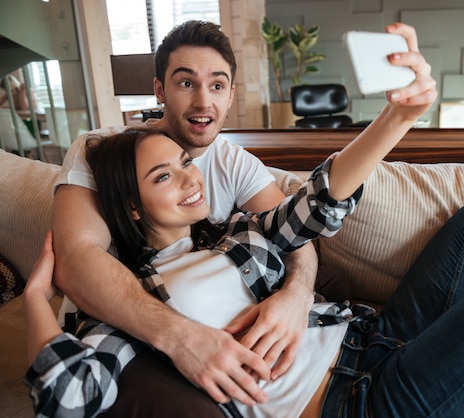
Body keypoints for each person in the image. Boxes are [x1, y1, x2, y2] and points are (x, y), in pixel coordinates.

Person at [25, 129, 464, 415]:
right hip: (367, 403)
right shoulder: (128, 308)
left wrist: (395, 117)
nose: (191, 178)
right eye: (165, 177)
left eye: (185, 163)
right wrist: (35, 298)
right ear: (131, 207)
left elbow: (317, 208)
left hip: (380, 338)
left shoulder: (237, 233)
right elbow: (68, 394)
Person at [50, 19, 363, 413]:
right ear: (159, 90)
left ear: (231, 94)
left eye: (216, 85)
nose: (203, 102)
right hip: (125, 335)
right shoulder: (103, 151)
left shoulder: (236, 164)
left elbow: (294, 230)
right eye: (186, 84)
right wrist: (182, 337)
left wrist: (295, 298)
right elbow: (76, 258)